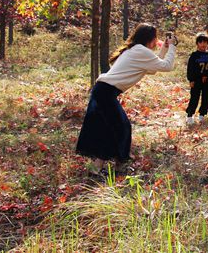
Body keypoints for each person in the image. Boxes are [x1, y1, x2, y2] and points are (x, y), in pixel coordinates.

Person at [76, 23, 177, 175]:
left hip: (103, 90)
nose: (156, 42)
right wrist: (173, 47)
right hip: (105, 92)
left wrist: (165, 48)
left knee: (108, 128)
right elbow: (166, 66)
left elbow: (153, 68)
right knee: (122, 127)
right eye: (155, 39)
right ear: (149, 39)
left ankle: (98, 168)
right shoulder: (141, 51)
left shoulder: (135, 49)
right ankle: (118, 167)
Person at [185, 33, 208, 125]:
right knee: (194, 98)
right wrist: (191, 80)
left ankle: (202, 114)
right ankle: (190, 115)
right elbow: (190, 68)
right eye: (201, 42)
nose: (203, 44)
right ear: (197, 43)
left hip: (207, 80)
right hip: (196, 80)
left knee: (206, 98)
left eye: (205, 42)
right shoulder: (194, 55)